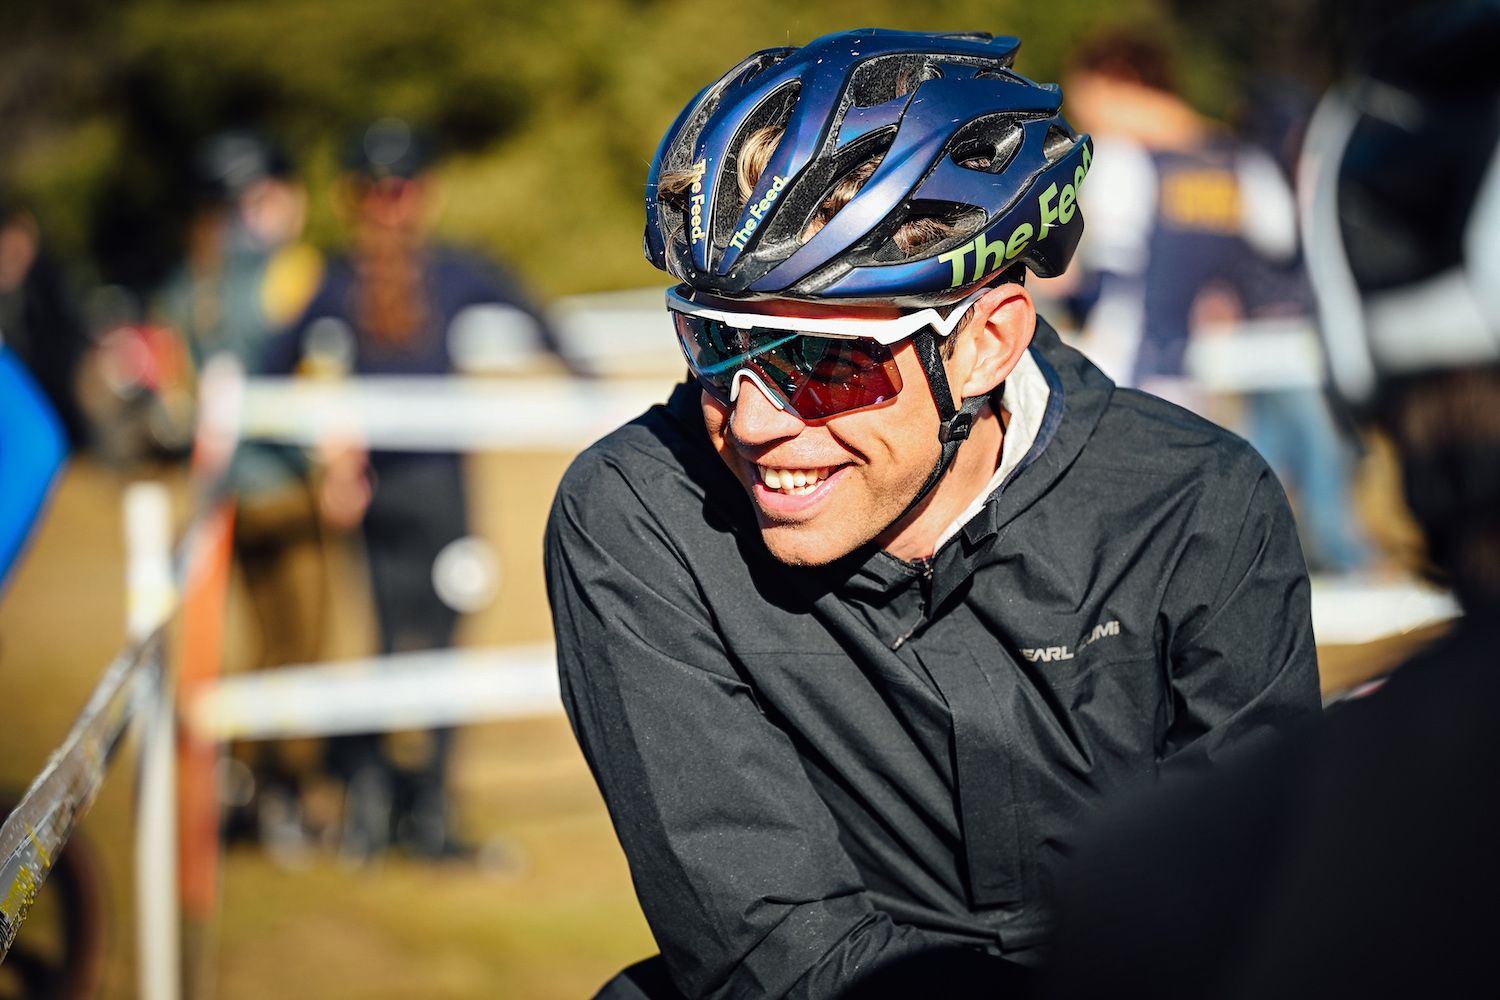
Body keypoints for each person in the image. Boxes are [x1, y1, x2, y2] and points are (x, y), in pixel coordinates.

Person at [544, 28, 1320, 999]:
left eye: (824, 363)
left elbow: (1249, 907)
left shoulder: (1200, 506)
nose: (749, 418)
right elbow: (766, 945)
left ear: (990, 342)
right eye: (714, 342)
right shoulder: (637, 513)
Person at [1037, 4, 1500, 997]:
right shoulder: (1227, 153)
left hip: (1102, 393)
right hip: (1195, 398)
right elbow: (1276, 250)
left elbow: (1090, 276)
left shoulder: (1114, 162)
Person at [264, 117, 562, 861]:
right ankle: (410, 812)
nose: (393, 203)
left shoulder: (431, 273)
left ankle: (401, 806)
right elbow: (274, 373)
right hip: (411, 494)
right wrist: (326, 455)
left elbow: (539, 321)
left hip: (417, 493)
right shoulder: (361, 278)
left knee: (412, 647)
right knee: (420, 651)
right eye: (387, 190)